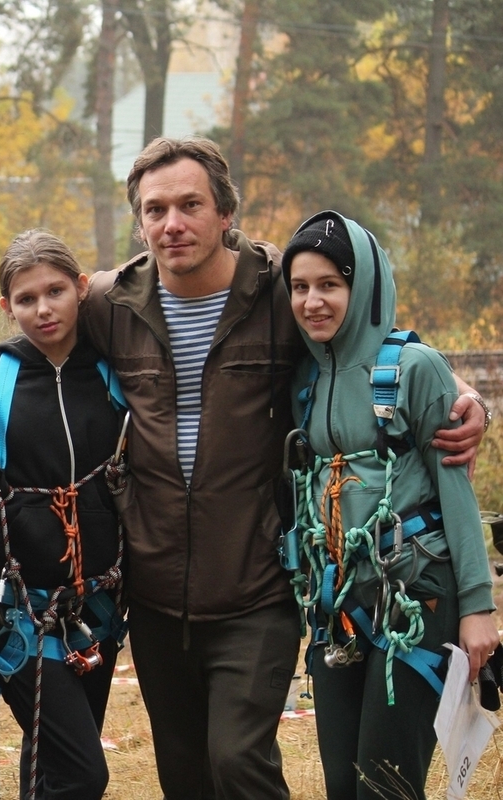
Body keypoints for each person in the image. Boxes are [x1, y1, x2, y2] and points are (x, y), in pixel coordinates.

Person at [79, 135, 487, 800]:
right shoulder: (110, 302)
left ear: (226, 213)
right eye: (155, 210)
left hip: (257, 586)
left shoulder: (278, 289)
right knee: (186, 777)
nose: (172, 223)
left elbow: (367, 338)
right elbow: (38, 335)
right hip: (154, 592)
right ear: (140, 221)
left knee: (239, 760)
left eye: (190, 204)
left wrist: (464, 403)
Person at [280, 210, 499, 799]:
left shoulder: (413, 368)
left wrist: (479, 608)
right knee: (340, 784)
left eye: (330, 284)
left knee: (385, 783)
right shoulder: (303, 379)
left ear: (365, 287)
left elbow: (456, 489)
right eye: (299, 287)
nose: (313, 302)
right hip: (337, 607)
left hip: (417, 600)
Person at [0, 229, 126, 800]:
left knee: (50, 767)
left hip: (99, 605)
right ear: (7, 307)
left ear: (81, 289)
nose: (43, 309)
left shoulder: (111, 371)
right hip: (18, 612)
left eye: (55, 291)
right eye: (26, 299)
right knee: (83, 773)